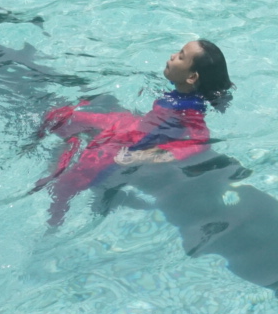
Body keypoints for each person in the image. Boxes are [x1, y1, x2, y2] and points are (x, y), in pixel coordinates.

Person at [32, 40, 230, 226]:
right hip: (131, 124)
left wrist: (142, 156)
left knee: (65, 186)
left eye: (180, 56)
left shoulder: (191, 110)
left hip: (131, 141)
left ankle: (52, 224)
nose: (172, 56)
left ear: (192, 77)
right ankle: (52, 145)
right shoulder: (182, 92)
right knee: (59, 116)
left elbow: (201, 141)